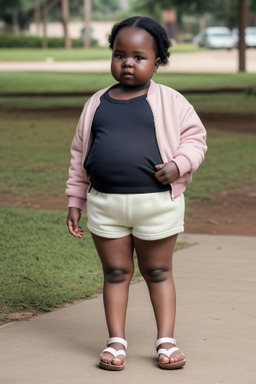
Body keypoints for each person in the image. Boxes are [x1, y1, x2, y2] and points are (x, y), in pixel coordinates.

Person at [66, 16, 207, 371]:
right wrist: (75, 200)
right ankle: (116, 341)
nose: (127, 62)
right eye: (119, 54)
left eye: (139, 57)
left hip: (157, 204)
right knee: (116, 272)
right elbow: (79, 154)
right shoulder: (97, 103)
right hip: (106, 204)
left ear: (157, 61)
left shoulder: (171, 101)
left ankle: (166, 341)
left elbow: (196, 139)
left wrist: (179, 164)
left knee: (158, 270)